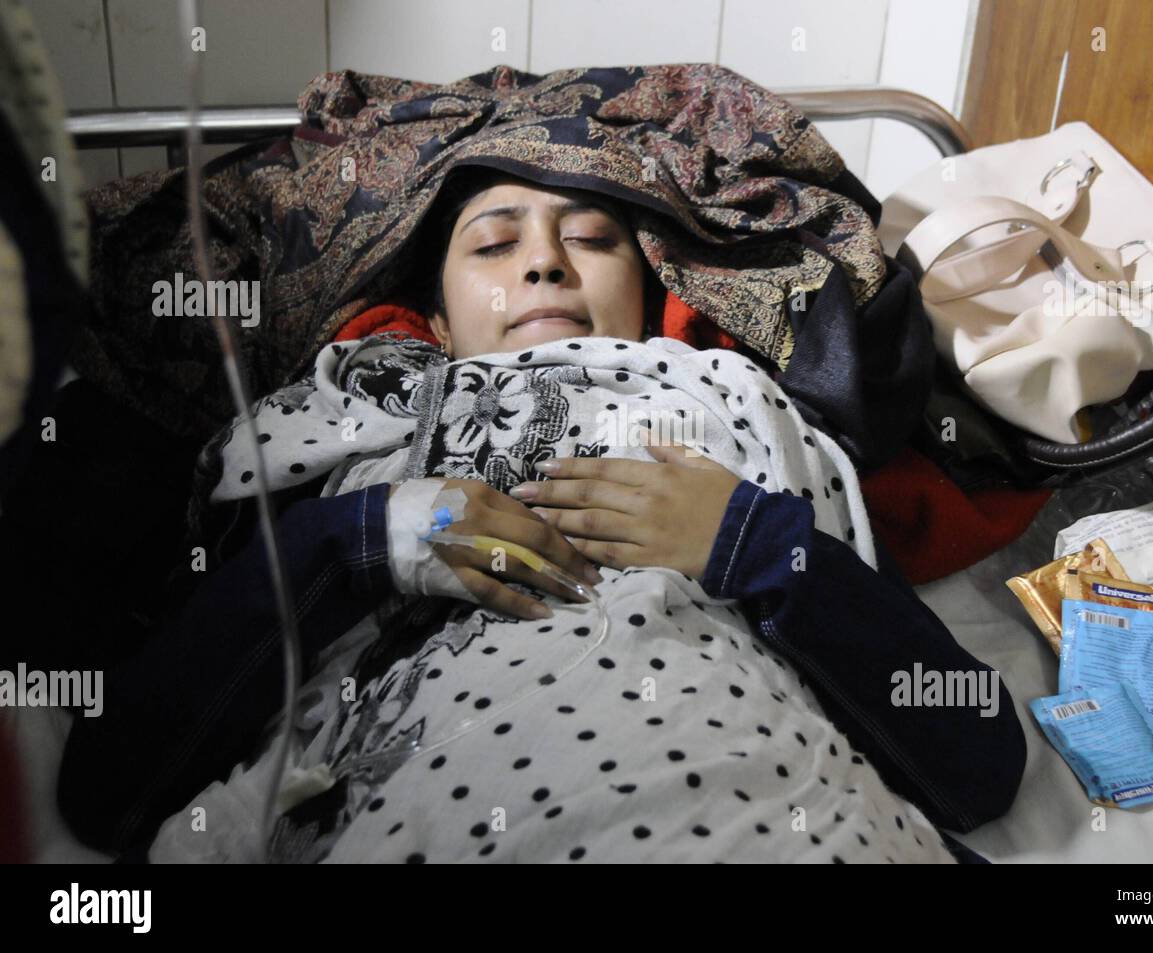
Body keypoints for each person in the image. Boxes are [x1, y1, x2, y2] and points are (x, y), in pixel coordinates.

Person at [58, 169, 1025, 861]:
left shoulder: (735, 403)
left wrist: (750, 542)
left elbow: (976, 760)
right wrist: (363, 539)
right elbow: (109, 784)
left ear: (649, 300)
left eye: (595, 239)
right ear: (432, 323)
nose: (548, 264)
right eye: (493, 242)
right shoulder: (355, 428)